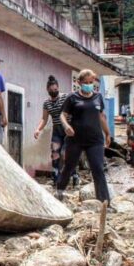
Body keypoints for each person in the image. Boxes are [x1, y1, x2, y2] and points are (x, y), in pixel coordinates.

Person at [56, 70, 112, 201]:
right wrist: (66, 126)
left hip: (95, 140)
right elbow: (62, 116)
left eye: (91, 82)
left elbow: (101, 117)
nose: (88, 85)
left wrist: (108, 133)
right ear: (79, 82)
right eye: (85, 82)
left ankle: (104, 202)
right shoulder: (72, 98)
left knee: (98, 168)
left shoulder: (98, 97)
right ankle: (58, 193)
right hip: (75, 139)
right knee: (69, 166)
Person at [33, 75, 78, 186]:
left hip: (67, 128)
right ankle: (56, 176)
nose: (54, 91)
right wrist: (38, 129)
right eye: (51, 90)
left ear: (58, 88)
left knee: (66, 154)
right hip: (57, 130)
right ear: (47, 90)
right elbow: (44, 119)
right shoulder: (46, 103)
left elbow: (74, 111)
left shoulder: (65, 98)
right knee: (55, 152)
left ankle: (74, 175)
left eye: (55, 89)